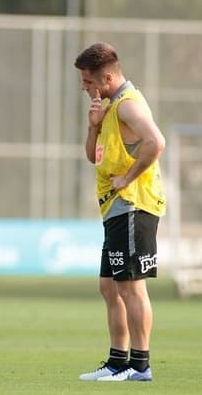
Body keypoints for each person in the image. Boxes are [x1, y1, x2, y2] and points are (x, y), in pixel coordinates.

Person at [74, 42, 166, 382]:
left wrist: (127, 177)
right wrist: (93, 126)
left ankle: (140, 365)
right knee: (109, 286)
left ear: (107, 77)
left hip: (133, 205)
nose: (84, 87)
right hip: (114, 208)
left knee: (130, 287)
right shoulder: (110, 108)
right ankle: (117, 362)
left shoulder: (128, 106)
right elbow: (92, 156)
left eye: (87, 81)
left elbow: (156, 142)